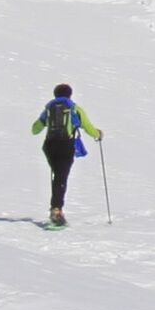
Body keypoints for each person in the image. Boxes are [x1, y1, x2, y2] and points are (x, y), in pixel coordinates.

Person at [31, 83, 102, 227]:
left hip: (50, 145)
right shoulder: (74, 108)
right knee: (61, 176)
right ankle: (56, 210)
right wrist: (98, 134)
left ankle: (56, 208)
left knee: (58, 175)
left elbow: (35, 129)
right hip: (66, 145)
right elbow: (88, 127)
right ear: (70, 94)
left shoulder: (49, 108)